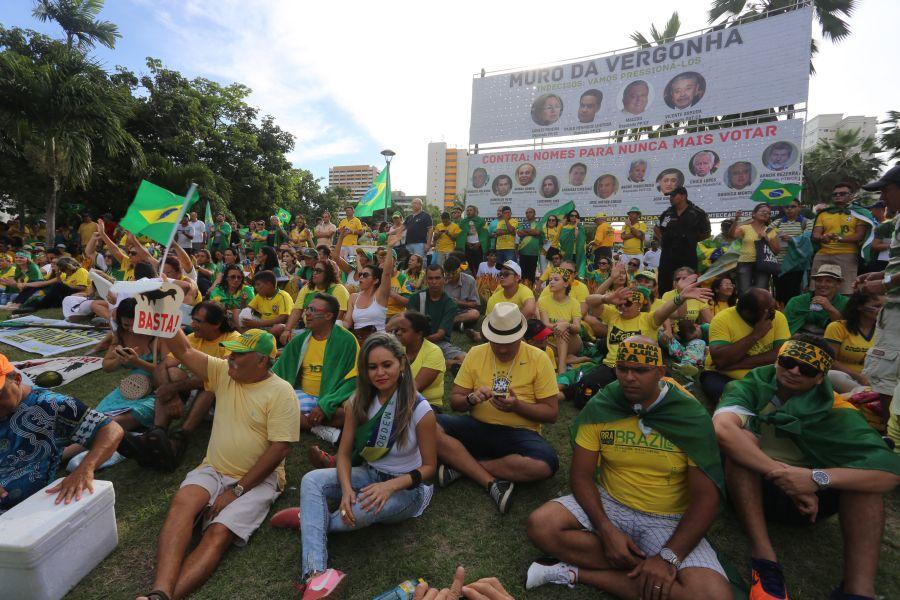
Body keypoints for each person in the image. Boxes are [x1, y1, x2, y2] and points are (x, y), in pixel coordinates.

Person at [525, 337, 731, 597]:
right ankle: (653, 575)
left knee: (714, 596)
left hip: (667, 519)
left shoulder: (690, 417)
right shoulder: (602, 406)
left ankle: (577, 572)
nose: (629, 378)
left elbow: (706, 498)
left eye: (641, 370)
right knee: (541, 525)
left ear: (660, 373)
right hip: (609, 501)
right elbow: (581, 475)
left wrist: (668, 557)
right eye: (622, 369)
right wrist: (605, 529)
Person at [713, 335, 900, 600]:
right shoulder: (754, 383)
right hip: (754, 486)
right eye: (788, 362)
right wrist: (783, 475)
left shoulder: (837, 409)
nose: (794, 371)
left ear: (820, 377)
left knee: (864, 482)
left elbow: (888, 473)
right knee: (740, 443)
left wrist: (816, 478)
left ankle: (858, 590)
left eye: (807, 369)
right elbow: (722, 429)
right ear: (778, 360)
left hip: (808, 497)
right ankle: (764, 559)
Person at [135, 328, 300, 600]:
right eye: (231, 352)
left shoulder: (282, 393)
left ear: (262, 361)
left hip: (259, 479)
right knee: (182, 505)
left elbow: (280, 449)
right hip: (213, 468)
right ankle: (160, 592)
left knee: (218, 533)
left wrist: (237, 490)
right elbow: (185, 350)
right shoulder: (224, 372)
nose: (230, 357)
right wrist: (165, 310)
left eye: (238, 354)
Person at [278, 333, 436, 597]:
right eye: (372, 367)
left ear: (402, 364)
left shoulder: (420, 409)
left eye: (387, 365)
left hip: (407, 490)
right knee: (311, 480)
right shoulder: (358, 401)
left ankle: (310, 518)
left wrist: (389, 487)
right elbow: (343, 455)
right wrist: (347, 487)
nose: (380, 373)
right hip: (369, 473)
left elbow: (430, 468)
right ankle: (317, 575)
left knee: (361, 513)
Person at [435, 302, 559, 514]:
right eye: (496, 342)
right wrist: (472, 399)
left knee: (545, 463)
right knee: (427, 422)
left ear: (520, 336)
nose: (502, 348)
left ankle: (463, 466)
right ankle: (490, 478)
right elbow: (456, 401)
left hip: (519, 435)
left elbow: (551, 413)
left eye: (508, 342)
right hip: (477, 426)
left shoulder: (538, 358)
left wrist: (517, 406)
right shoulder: (476, 353)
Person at [0, 351, 123, 513]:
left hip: (27, 511)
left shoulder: (51, 405)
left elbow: (111, 430)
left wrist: (85, 469)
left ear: (16, 379)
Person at [584, 276, 712, 388]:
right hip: (614, 366)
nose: (622, 306)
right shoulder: (613, 315)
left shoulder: (649, 319)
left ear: (639, 304)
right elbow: (589, 301)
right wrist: (607, 298)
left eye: (627, 303)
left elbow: (673, 312)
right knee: (586, 388)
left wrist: (681, 295)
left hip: (644, 368)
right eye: (619, 304)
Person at [273, 293, 359, 442]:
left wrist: (326, 405)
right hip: (303, 394)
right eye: (307, 309)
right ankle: (316, 428)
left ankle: (304, 421)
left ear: (328, 316)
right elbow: (279, 372)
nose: (307, 313)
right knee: (275, 406)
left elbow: (355, 378)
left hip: (333, 397)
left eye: (312, 310)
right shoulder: (300, 340)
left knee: (352, 413)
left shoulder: (347, 341)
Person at [701, 288, 789, 406]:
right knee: (727, 395)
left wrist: (736, 364)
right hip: (723, 376)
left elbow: (782, 354)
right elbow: (720, 359)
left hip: (764, 376)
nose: (775, 311)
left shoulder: (778, 317)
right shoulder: (722, 319)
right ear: (748, 313)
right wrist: (756, 335)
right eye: (769, 310)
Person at [812, 182, 870, 295]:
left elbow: (859, 236)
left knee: (846, 290)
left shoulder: (859, 213)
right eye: (835, 194)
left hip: (847, 254)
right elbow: (815, 235)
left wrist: (840, 238)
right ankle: (818, 311)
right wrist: (823, 237)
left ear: (851, 196)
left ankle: (843, 313)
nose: (838, 196)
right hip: (822, 254)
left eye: (842, 193)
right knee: (818, 289)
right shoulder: (824, 214)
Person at [407, 264, 466, 367]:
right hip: (414, 342)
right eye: (430, 278)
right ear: (426, 280)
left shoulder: (450, 303)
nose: (434, 282)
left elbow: (440, 334)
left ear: (444, 279)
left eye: (437, 278)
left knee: (466, 359)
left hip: (438, 343)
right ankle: (442, 363)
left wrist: (422, 341)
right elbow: (408, 327)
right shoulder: (416, 298)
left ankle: (442, 363)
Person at [655, 187, 711, 293]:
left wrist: (691, 240)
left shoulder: (697, 213)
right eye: (670, 196)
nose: (670, 198)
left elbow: (706, 233)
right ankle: (665, 307)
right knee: (664, 284)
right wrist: (663, 240)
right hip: (668, 256)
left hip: (687, 256)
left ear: (683, 196)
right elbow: (657, 228)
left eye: (673, 196)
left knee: (689, 283)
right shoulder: (667, 213)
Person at [825, 292, 883, 394]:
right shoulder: (837, 327)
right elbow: (830, 360)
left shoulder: (886, 330)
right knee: (832, 375)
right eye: (877, 306)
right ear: (859, 306)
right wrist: (859, 377)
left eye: (885, 307)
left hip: (877, 379)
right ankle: (870, 395)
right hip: (847, 378)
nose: (882, 310)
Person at [282, 260, 350, 343]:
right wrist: (287, 330)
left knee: (296, 339)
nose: (314, 273)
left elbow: (338, 317)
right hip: (307, 328)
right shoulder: (307, 288)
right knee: (281, 330)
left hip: (329, 331)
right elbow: (297, 311)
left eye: (318, 271)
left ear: (328, 273)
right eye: (314, 270)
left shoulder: (338, 289)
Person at [387, 311, 445, 408]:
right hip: (396, 401)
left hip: (426, 405)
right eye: (398, 330)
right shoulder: (396, 349)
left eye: (404, 330)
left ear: (419, 334)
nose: (398, 333)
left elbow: (415, 388)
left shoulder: (434, 352)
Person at [538, 268, 584, 374]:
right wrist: (558, 326)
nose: (551, 282)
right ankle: (567, 360)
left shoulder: (574, 303)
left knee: (562, 325)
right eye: (550, 280)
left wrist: (566, 325)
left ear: (566, 284)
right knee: (560, 325)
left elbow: (577, 328)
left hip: (572, 341)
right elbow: (545, 324)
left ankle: (562, 366)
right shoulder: (543, 301)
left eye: (556, 279)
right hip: (551, 342)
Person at [344, 246, 395, 342]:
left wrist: (390, 246)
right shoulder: (353, 297)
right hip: (360, 342)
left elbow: (386, 273)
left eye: (365, 275)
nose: (361, 277)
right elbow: (347, 322)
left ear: (375, 280)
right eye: (360, 275)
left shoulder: (380, 295)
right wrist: (337, 326)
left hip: (379, 342)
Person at [784, 264, 848, 335]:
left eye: (828, 281)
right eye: (819, 280)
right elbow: (786, 330)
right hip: (798, 341)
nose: (822, 284)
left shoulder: (845, 303)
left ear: (838, 284)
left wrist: (830, 309)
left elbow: (845, 331)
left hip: (831, 342)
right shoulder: (796, 302)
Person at [729, 203, 781, 291]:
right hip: (745, 263)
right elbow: (731, 236)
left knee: (760, 293)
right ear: (754, 214)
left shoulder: (770, 231)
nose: (765, 214)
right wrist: (736, 220)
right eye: (762, 211)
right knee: (744, 292)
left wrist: (767, 239)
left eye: (768, 213)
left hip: (763, 264)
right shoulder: (745, 228)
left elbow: (777, 250)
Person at [12, 256, 89, 314]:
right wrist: (58, 275)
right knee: (46, 291)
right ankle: (24, 306)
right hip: (66, 295)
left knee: (56, 285)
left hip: (79, 294)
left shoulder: (81, 271)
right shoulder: (66, 274)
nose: (63, 272)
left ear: (69, 267)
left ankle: (36, 307)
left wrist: (64, 286)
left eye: (63, 269)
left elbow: (82, 287)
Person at [771, 199, 809, 305]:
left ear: (799, 207)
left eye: (793, 206)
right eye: (787, 207)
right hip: (779, 264)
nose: (789, 209)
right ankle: (781, 318)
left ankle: (791, 317)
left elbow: (808, 239)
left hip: (797, 265)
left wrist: (791, 239)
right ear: (783, 209)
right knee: (779, 295)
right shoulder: (776, 223)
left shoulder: (806, 222)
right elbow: (767, 234)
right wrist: (774, 236)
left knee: (795, 294)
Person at [243, 270, 293, 338]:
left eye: (258, 284)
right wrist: (243, 303)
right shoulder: (260, 296)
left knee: (278, 328)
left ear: (269, 284)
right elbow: (247, 310)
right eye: (255, 285)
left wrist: (258, 324)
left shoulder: (283, 296)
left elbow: (283, 318)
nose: (256, 287)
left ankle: (260, 338)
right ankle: (247, 338)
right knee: (239, 315)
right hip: (263, 325)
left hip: (277, 326)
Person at [443, 255, 481, 340]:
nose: (451, 276)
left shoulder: (469, 280)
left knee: (475, 313)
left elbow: (475, 304)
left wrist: (458, 302)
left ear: (459, 270)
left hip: (462, 312)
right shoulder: (441, 280)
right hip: (444, 311)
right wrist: (440, 286)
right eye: (448, 274)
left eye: (454, 273)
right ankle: (458, 325)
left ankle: (445, 323)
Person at [456, 205, 488, 271]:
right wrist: (466, 243)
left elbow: (485, 234)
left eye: (470, 210)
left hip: (478, 246)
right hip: (467, 247)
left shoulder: (481, 221)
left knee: (478, 265)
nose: (468, 212)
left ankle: (479, 279)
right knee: (466, 265)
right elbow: (460, 235)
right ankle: (468, 278)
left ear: (475, 211)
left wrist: (479, 243)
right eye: (467, 210)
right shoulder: (463, 222)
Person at [516, 207, 541, 283]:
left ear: (534, 214)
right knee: (523, 273)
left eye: (530, 212)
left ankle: (531, 291)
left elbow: (537, 232)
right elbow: (519, 233)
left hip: (534, 252)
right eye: (526, 213)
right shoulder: (522, 224)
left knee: (531, 273)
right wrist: (532, 232)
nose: (528, 214)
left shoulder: (538, 224)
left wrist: (525, 231)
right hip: (523, 251)